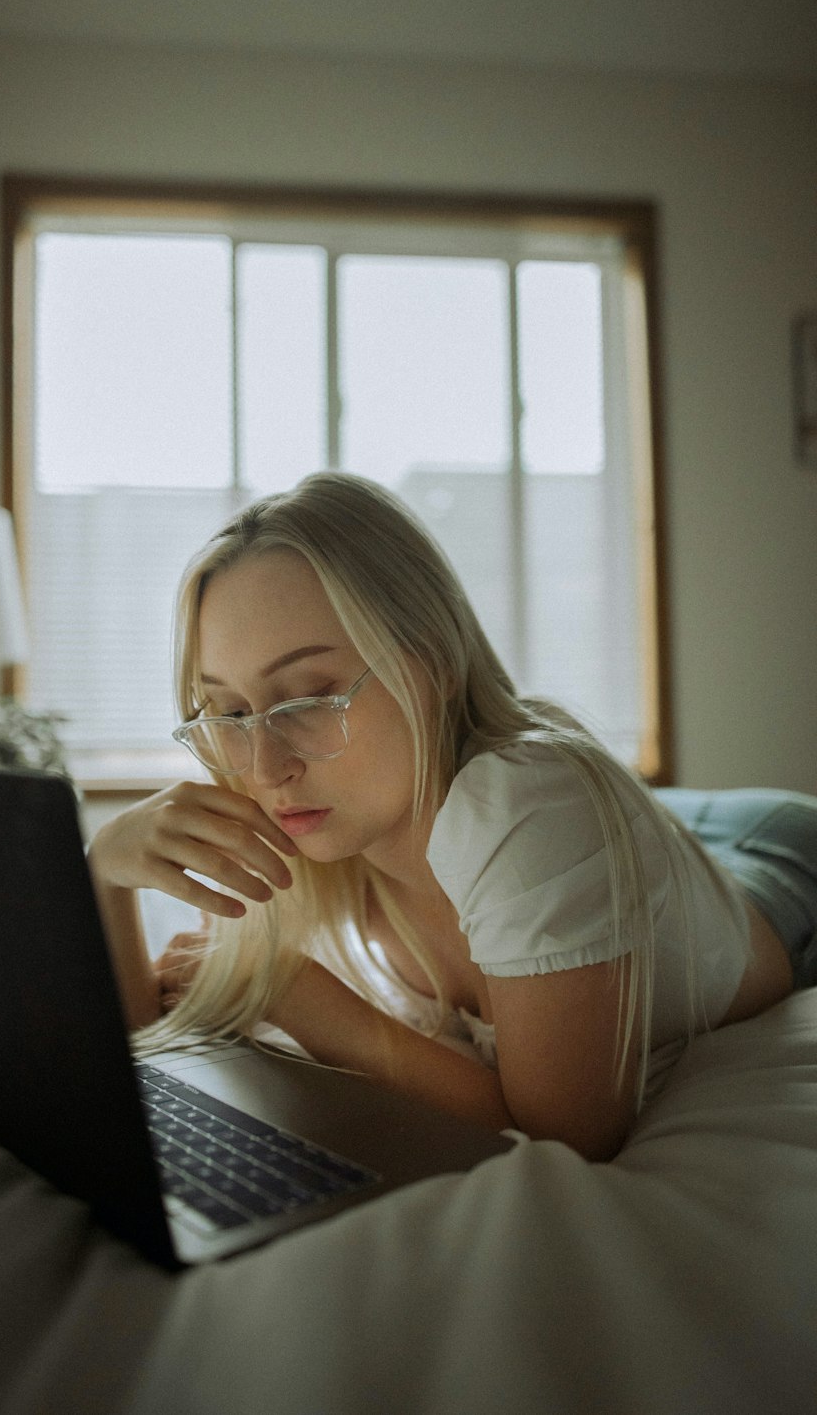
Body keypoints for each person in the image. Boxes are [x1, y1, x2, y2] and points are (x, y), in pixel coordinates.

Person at [88, 472, 817, 1161]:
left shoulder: (529, 804)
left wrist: (298, 996)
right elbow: (154, 1042)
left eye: (309, 697)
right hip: (630, 847)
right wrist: (104, 877)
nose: (266, 765)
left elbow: (570, 1135)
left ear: (432, 664)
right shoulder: (285, 804)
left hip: (776, 863)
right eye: (231, 712)